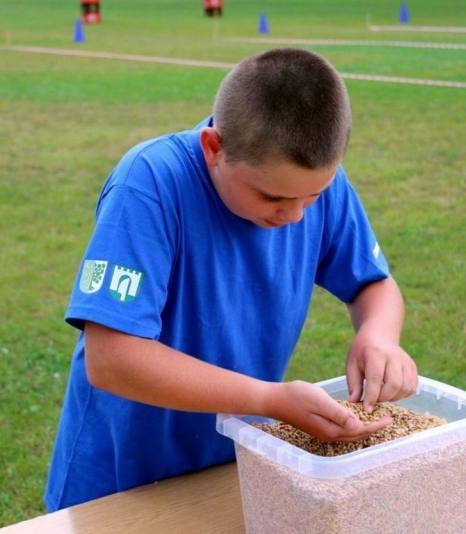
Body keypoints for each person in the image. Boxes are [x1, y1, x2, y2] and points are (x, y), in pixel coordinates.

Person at [44, 47, 419, 511]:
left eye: (313, 197)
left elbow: (373, 285)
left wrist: (378, 335)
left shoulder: (318, 188)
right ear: (213, 148)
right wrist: (268, 399)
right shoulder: (149, 184)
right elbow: (112, 359)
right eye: (272, 197)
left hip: (233, 466)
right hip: (120, 479)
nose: (295, 216)